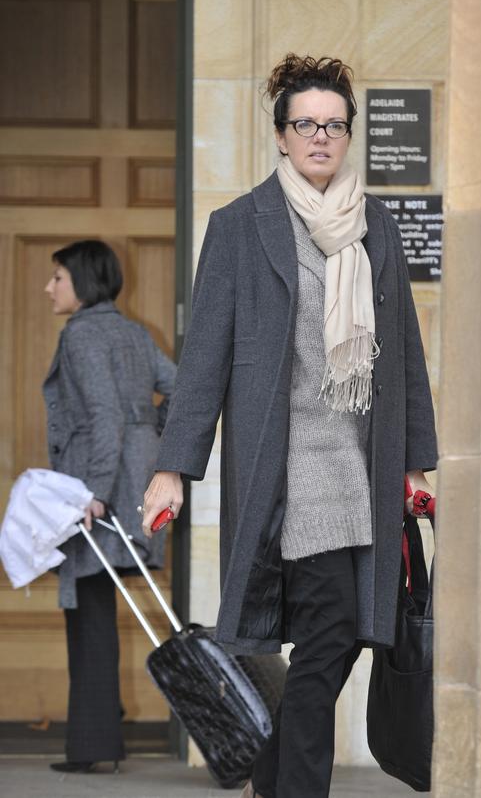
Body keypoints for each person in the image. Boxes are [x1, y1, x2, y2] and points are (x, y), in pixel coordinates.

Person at [142, 54, 437, 798]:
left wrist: (413, 463)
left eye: (335, 125)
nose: (321, 138)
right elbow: (204, 357)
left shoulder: (377, 225)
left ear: (348, 136)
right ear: (280, 135)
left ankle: (271, 778)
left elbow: (402, 351)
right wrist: (172, 464)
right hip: (289, 477)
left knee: (341, 642)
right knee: (332, 631)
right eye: (306, 124)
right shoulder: (241, 227)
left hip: (362, 471)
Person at [43, 240, 176, 773]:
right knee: (98, 605)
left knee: (90, 612)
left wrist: (93, 491)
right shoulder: (133, 332)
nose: (49, 287)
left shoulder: (81, 334)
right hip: (132, 483)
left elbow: (101, 416)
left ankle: (94, 746)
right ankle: (98, 733)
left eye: (57, 277)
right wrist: (155, 437)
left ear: (82, 280)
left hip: (97, 491)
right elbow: (185, 388)